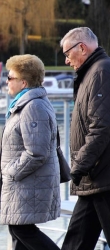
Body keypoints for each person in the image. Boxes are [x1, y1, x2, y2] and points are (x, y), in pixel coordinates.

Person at [0, 54, 61, 250]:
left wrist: (11, 172)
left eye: (10, 78)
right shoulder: (24, 104)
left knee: (22, 231)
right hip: (22, 185)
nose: (7, 81)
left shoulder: (33, 107)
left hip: (25, 184)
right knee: (17, 233)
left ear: (23, 82)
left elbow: (36, 152)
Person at [60, 27, 110, 250]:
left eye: (67, 54)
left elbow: (101, 128)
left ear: (82, 47)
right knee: (75, 243)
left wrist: (78, 167)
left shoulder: (101, 72)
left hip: (102, 177)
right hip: (94, 178)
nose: (67, 61)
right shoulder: (92, 73)